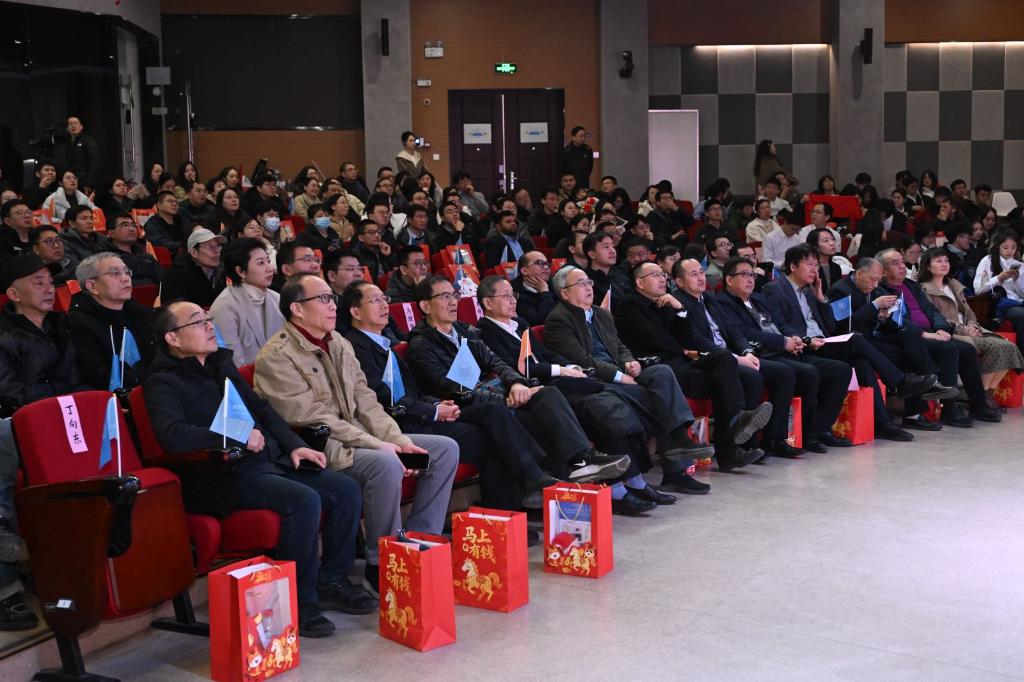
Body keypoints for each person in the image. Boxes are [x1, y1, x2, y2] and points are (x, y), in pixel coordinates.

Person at [145, 301, 372, 637]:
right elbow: (173, 436)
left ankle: (331, 580)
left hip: (269, 460)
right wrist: (235, 435)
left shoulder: (221, 366)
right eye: (197, 322)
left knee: (345, 489)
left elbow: (262, 410)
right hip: (224, 474)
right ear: (173, 339)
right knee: (303, 499)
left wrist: (295, 445)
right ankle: (300, 604)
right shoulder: (162, 382)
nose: (209, 326)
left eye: (208, 319)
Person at [253, 273, 458, 592]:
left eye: (331, 298)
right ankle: (382, 561)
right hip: (321, 447)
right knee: (385, 464)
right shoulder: (276, 356)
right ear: (297, 308)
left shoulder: (339, 343)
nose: (332, 305)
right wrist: (378, 445)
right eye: (323, 299)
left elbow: (367, 402)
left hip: (359, 438)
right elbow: (312, 417)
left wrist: (398, 441)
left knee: (443, 450)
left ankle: (417, 540)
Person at [343, 282, 570, 511]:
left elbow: (414, 392)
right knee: (493, 427)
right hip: (400, 425)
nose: (384, 305)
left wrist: (437, 404)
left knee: (516, 415)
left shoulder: (388, 343)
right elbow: (385, 397)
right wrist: (434, 409)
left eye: (385, 299)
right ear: (355, 312)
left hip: (428, 410)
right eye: (375, 300)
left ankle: (515, 503)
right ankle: (520, 493)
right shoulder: (359, 347)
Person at [475, 276, 685, 510]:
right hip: (535, 391)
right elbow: (514, 368)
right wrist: (560, 370)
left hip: (557, 385)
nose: (513, 300)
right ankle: (618, 487)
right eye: (505, 296)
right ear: (488, 303)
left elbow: (545, 354)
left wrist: (571, 367)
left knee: (609, 404)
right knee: (602, 405)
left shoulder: (520, 323)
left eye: (513, 295)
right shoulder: (484, 332)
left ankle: (632, 482)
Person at [407, 275, 626, 489]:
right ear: (426, 306)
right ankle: (543, 482)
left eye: (454, 295)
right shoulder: (421, 344)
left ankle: (582, 458)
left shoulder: (465, 331)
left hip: (491, 396)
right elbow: (448, 388)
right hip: (460, 406)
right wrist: (504, 398)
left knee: (547, 394)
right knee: (527, 417)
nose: (453, 302)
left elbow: (496, 362)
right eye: (444, 296)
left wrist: (517, 384)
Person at [544, 265, 760, 476]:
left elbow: (620, 347)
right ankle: (674, 471)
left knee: (667, 373)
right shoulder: (559, 319)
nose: (588, 287)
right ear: (564, 293)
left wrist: (629, 362)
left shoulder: (601, 313)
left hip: (635, 369)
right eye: (580, 283)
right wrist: (621, 376)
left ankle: (688, 441)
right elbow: (582, 359)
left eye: (588, 282)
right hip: (600, 379)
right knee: (662, 393)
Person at [761, 244, 938, 443]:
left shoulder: (810, 291)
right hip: (803, 346)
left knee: (863, 363)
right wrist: (805, 340)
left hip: (824, 342)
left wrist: (821, 300)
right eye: (809, 264)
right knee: (855, 339)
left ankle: (878, 424)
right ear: (793, 266)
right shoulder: (775, 289)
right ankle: (901, 382)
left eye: (816, 265)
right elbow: (779, 324)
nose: (814, 270)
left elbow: (828, 326)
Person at [0, 253, 92, 630]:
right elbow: (9, 394)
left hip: (59, 419)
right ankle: (6, 586)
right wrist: (51, 417)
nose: (48, 288)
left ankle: (77, 562)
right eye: (36, 282)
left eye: (49, 281)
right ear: (13, 294)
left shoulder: (60, 326)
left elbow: (74, 380)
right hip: (19, 422)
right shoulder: (4, 335)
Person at [614, 260, 778, 467]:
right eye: (655, 275)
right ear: (640, 283)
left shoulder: (667, 301)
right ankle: (729, 449)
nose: (662, 279)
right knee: (720, 383)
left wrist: (680, 310)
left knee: (723, 359)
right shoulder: (629, 305)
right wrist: (682, 350)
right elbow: (653, 338)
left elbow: (687, 335)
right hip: (656, 366)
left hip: (679, 360)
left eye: (662, 275)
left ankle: (736, 422)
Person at [715, 256, 853, 452]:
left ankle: (819, 430)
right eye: (744, 274)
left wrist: (796, 339)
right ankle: (776, 439)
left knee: (840, 369)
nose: (750, 279)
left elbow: (780, 323)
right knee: (805, 372)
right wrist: (783, 342)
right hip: (762, 353)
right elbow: (744, 332)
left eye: (752, 275)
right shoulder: (723, 302)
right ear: (729, 280)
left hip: (784, 350)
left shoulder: (758, 298)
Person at [671, 259, 806, 456]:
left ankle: (774, 439)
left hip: (730, 354)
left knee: (784, 373)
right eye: (693, 274)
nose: (700, 277)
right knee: (752, 377)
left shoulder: (709, 297)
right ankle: (745, 443)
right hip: (708, 360)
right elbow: (696, 340)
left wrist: (747, 352)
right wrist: (735, 357)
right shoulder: (678, 304)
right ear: (679, 282)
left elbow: (733, 331)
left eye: (701, 272)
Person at [876, 248, 1002, 425]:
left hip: (932, 332)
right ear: (883, 270)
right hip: (909, 337)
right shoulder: (881, 291)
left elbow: (933, 311)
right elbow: (897, 322)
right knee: (949, 349)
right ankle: (949, 410)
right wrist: (926, 334)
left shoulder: (911, 285)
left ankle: (979, 404)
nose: (902, 266)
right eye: (895, 263)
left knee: (967, 349)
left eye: (902, 262)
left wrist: (941, 329)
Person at [918, 247, 1023, 400]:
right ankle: (981, 396)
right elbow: (936, 318)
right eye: (938, 261)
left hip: (971, 328)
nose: (944, 264)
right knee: (994, 347)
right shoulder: (924, 290)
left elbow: (968, 312)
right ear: (927, 266)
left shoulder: (953, 284)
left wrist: (973, 325)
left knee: (1009, 346)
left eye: (946, 260)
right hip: (951, 332)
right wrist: (964, 329)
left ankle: (987, 392)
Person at [65, 252, 155, 390]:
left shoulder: (139, 312)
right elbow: (97, 375)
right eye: (115, 273)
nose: (125, 278)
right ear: (92, 286)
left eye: (127, 272)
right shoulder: (77, 323)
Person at [209, 239, 284, 367]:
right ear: (241, 271)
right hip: (248, 376)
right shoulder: (224, 307)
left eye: (268, 261)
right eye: (261, 263)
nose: (270, 268)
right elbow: (233, 361)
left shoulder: (276, 298)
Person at [973, 230, 1024, 356]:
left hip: (1017, 302)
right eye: (1005, 247)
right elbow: (978, 289)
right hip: (997, 304)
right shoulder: (987, 261)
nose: (1010, 251)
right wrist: (999, 278)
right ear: (997, 247)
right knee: (1020, 314)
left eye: (1013, 247)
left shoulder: (1019, 265)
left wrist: (1017, 281)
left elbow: (1022, 295)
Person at [161, 228, 227, 308]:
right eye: (210, 247)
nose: (217, 251)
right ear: (194, 252)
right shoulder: (176, 276)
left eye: (218, 246)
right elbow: (175, 309)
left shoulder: (223, 271)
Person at [583, 232, 630, 310]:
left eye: (613, 246)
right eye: (606, 247)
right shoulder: (586, 281)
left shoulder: (622, 276)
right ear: (592, 254)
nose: (612, 251)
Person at [57, 116, 99, 191]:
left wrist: (89, 184)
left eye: (76, 123)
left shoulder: (88, 141)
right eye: (70, 124)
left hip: (83, 182)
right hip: (68, 183)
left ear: (81, 126)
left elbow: (94, 163)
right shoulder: (64, 143)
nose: (73, 126)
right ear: (67, 128)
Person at [560, 125, 594, 190]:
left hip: (584, 182)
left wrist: (585, 175)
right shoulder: (567, 151)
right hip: (570, 184)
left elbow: (590, 166)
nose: (583, 138)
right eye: (580, 136)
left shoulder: (588, 150)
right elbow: (563, 166)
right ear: (573, 137)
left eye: (584, 136)